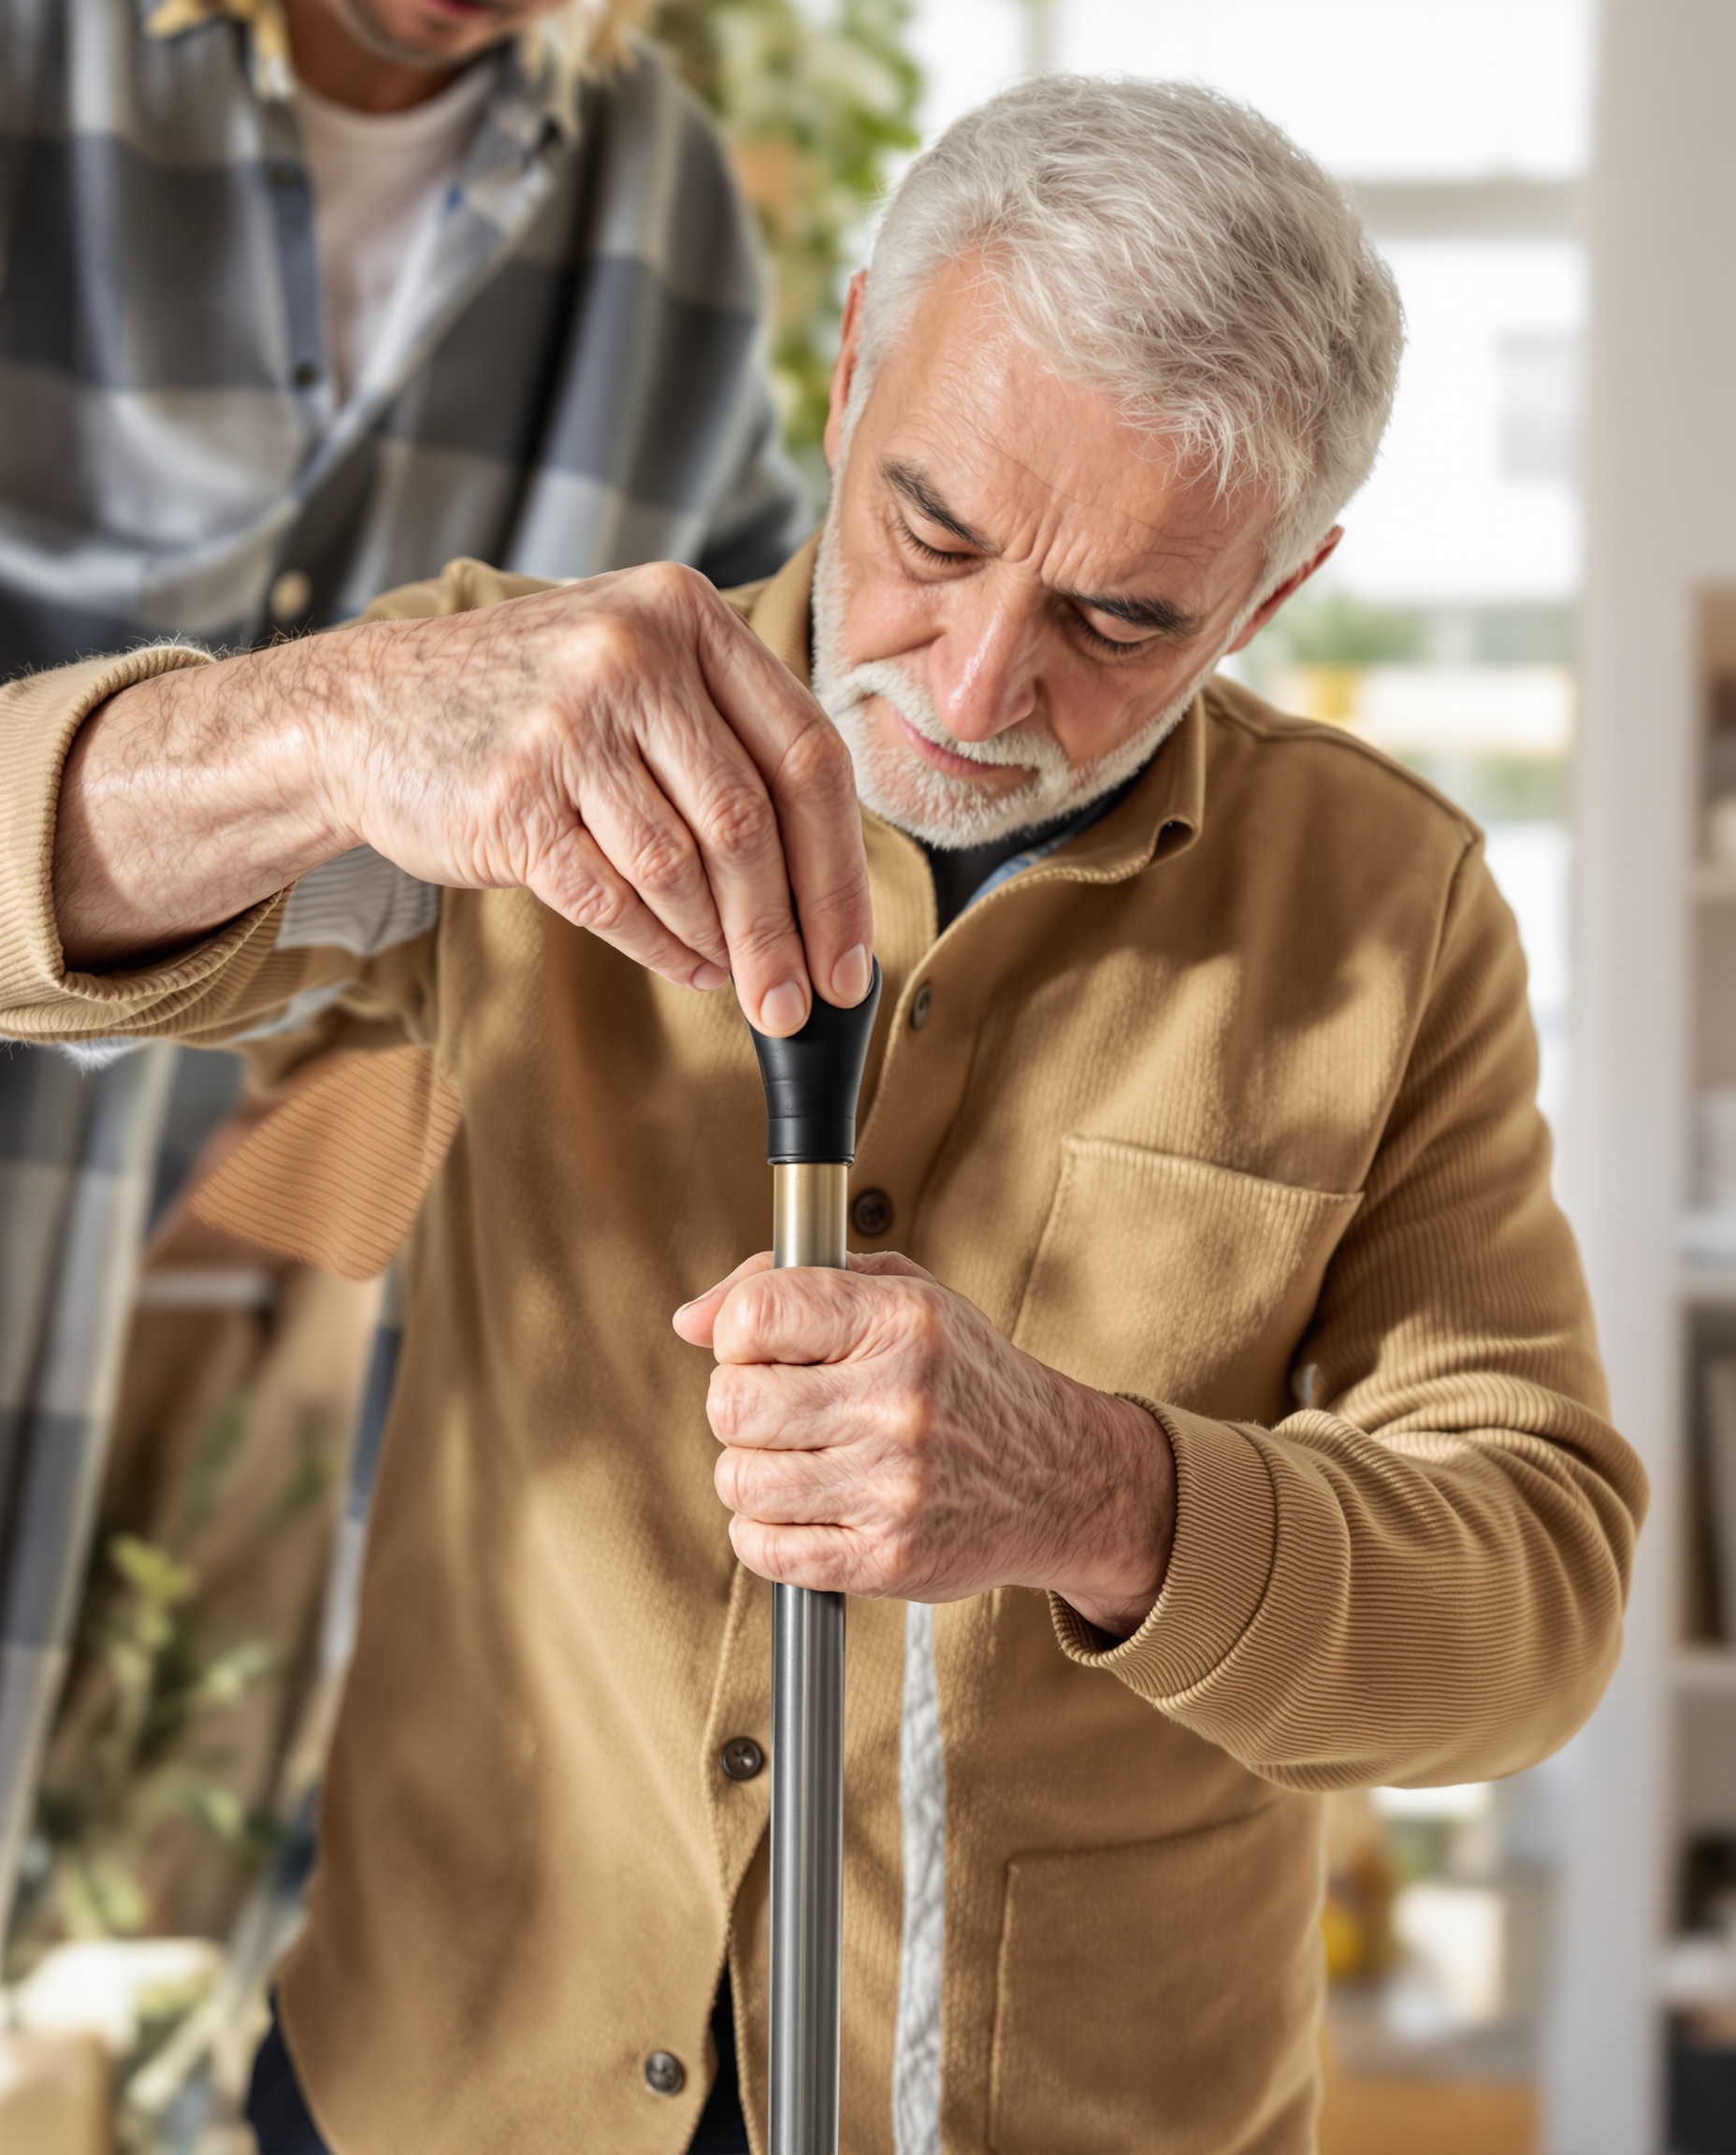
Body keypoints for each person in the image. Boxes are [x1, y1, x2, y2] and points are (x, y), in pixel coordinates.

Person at [0, 74, 1644, 2155]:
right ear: (857, 355)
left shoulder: (1387, 921)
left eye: (1118, 621)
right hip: (437, 2080)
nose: (967, 690)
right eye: (930, 535)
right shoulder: (533, 712)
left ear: (1273, 591)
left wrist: (1102, 1496)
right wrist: (316, 727)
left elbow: (1532, 1605)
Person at [0, 0, 801, 1928]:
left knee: (184, 1974)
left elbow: (783, 664)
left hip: (310, 1256)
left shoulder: (657, 205)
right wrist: (328, 720)